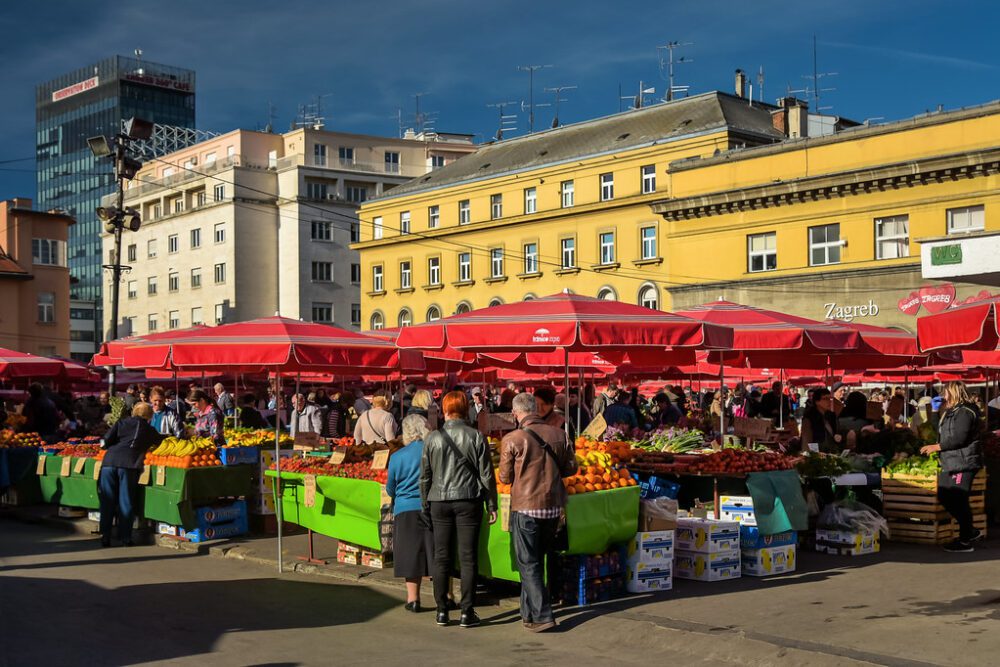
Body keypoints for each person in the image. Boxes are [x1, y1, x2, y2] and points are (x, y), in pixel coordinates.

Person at [500, 392, 578, 632]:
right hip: (553, 508)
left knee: (528, 562)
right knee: (535, 561)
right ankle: (529, 613)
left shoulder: (512, 439)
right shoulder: (559, 433)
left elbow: (504, 477)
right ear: (535, 409)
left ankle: (543, 615)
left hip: (525, 507)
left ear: (516, 413)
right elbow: (571, 468)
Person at [420, 391, 498, 628]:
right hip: (468, 499)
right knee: (467, 557)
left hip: (439, 500)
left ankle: (442, 610)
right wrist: (491, 503)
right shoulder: (476, 436)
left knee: (441, 556)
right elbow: (486, 474)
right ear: (465, 409)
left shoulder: (432, 438)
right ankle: (467, 611)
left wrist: (425, 503)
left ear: (444, 410)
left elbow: (425, 476)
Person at [920, 381, 985, 552]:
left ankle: (965, 541)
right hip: (951, 461)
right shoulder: (951, 411)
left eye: (945, 391)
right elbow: (939, 433)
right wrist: (934, 412)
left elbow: (959, 438)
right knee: (944, 494)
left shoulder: (965, 411)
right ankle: (969, 530)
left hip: (964, 462)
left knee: (959, 498)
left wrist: (937, 447)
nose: (943, 394)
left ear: (954, 392)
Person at [386, 415, 437, 612]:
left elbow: (391, 488)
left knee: (410, 554)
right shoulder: (432, 451)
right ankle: (444, 595)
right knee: (435, 551)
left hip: (405, 509)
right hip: (431, 506)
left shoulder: (397, 456)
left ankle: (413, 598)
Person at [99, 403, 165, 546]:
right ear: (149, 415)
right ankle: (125, 538)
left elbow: (106, 441)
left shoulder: (121, 422)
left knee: (107, 501)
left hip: (109, 462)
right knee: (126, 501)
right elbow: (161, 441)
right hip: (129, 464)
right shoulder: (148, 429)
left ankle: (105, 536)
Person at [800, 388, 839, 453]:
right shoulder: (810, 416)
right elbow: (806, 440)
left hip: (831, 453)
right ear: (817, 402)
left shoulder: (831, 416)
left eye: (830, 399)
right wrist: (813, 456)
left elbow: (835, 433)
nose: (829, 401)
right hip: (816, 453)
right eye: (825, 399)